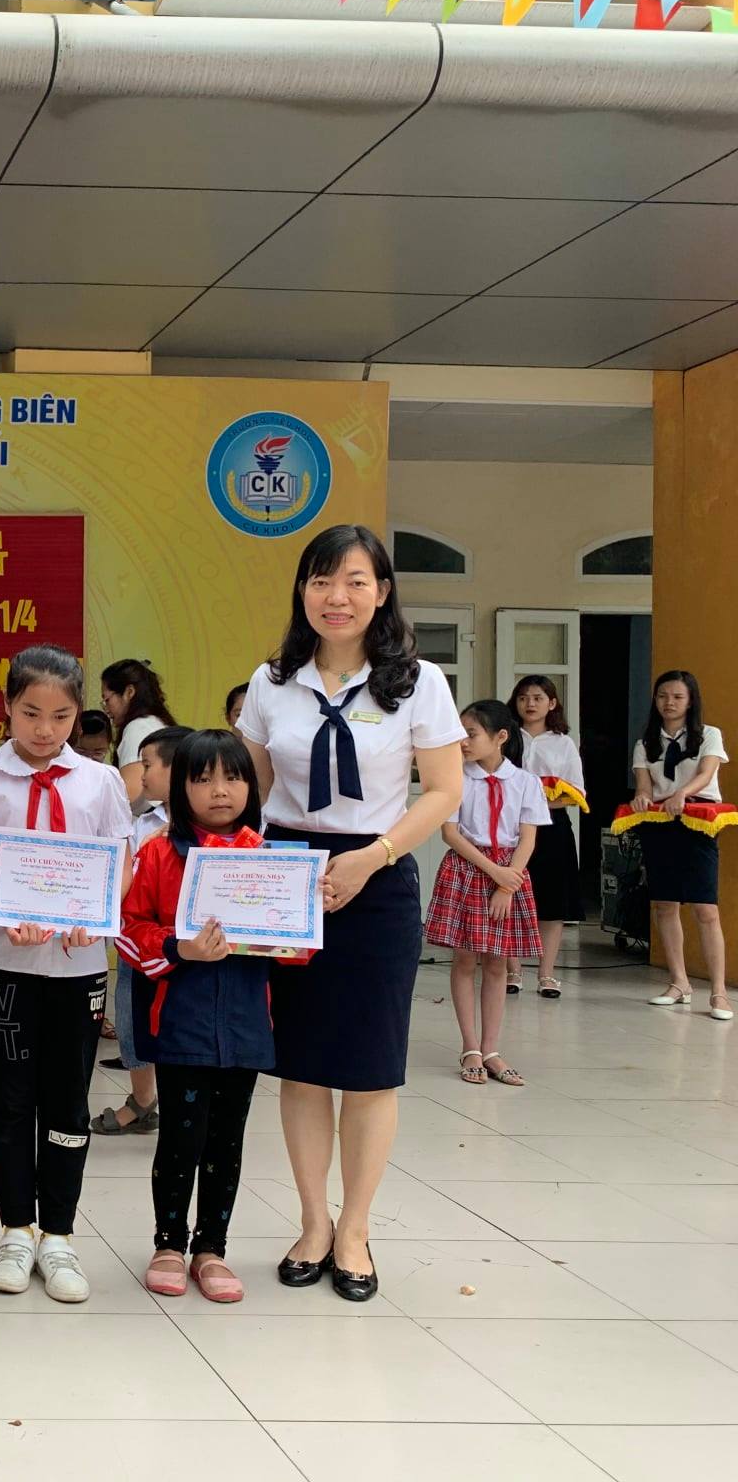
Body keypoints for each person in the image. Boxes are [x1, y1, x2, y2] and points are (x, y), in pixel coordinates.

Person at [238, 524, 463, 1302]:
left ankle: (357, 1229)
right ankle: (312, 1222)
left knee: (369, 1067)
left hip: (379, 872)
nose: (337, 597)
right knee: (301, 1065)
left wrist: (373, 857)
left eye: (355, 581)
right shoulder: (272, 682)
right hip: (288, 879)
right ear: (302, 590)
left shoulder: (418, 682)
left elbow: (444, 790)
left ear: (382, 592)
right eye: (321, 581)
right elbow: (249, 793)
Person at [0, 645, 133, 1303]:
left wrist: (98, 912)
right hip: (3, 963)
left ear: (78, 713)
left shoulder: (100, 782)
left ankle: (59, 1234)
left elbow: (120, 863)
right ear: (6, 707)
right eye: (30, 713)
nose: (44, 729)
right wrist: (0, 908)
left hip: (77, 966)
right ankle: (15, 1230)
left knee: (67, 1098)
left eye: (60, 716)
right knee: (7, 1098)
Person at [118, 728, 274, 1304]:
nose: (219, 791)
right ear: (180, 789)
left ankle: (212, 1248)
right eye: (202, 779)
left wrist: (282, 931)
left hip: (245, 1023)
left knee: (227, 1141)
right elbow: (129, 930)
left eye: (232, 777)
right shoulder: (158, 852)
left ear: (250, 786)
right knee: (181, 1138)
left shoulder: (268, 857)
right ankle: (168, 1244)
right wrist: (179, 947)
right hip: (180, 1021)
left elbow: (299, 945)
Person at [428, 699, 548, 1087]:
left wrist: (507, 883)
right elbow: (450, 833)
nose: (463, 742)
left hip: (509, 875)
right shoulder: (455, 779)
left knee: (497, 963)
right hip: (468, 868)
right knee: (465, 959)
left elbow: (527, 838)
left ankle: (492, 1049)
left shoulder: (526, 782)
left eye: (471, 734)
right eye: (460, 734)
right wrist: (495, 872)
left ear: (501, 737)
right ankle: (470, 1048)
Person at [95, 723, 191, 1137]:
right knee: (132, 1017)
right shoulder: (140, 823)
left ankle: (179, 1101)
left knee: (179, 1024)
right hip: (139, 942)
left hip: (187, 948)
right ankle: (143, 1098)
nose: (141, 774)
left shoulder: (215, 829)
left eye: (148, 765)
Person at [632, 669, 731, 1018]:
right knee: (664, 904)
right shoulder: (645, 742)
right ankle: (679, 982)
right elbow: (644, 784)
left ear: (690, 701)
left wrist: (682, 794)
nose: (669, 703)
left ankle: (718, 992)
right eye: (662, 696)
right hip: (660, 823)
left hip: (698, 820)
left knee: (706, 908)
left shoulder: (708, 735)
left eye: (677, 696)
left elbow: (706, 773)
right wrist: (642, 797)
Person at [508, 676, 584, 997]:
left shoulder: (563, 743)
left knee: (553, 900)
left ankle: (547, 973)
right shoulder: (506, 736)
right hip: (510, 825)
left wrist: (537, 802)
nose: (530, 704)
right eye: (523, 697)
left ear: (551, 703)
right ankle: (512, 971)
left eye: (538, 697)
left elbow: (575, 792)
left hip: (552, 826)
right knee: (510, 894)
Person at [101, 659, 173, 813]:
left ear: (129, 692)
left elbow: (128, 793)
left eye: (107, 700)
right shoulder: (155, 722)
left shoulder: (137, 728)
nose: (106, 708)